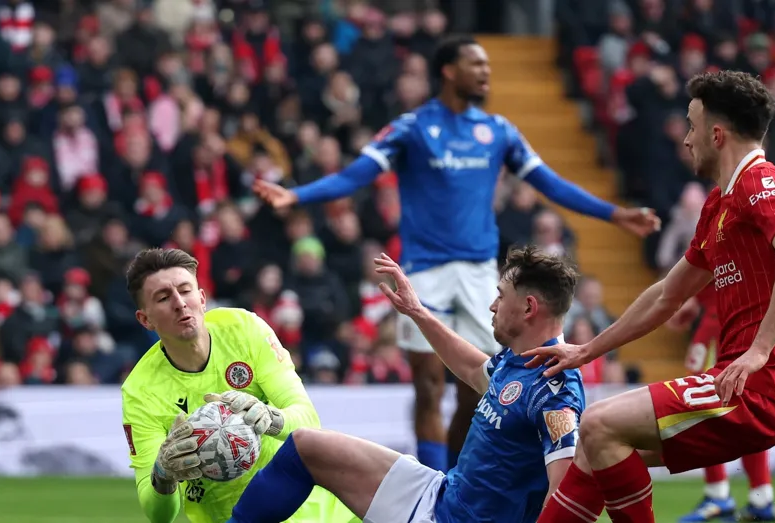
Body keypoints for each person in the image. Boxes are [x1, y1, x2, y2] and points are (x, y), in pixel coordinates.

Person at [252, 35, 659, 472]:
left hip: (482, 277)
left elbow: (550, 183)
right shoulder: (412, 128)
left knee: (481, 388)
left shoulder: (498, 130)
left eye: (487, 65)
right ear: (448, 70)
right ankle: (433, 484)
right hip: (424, 274)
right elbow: (357, 174)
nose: (486, 71)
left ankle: (456, 477)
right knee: (427, 387)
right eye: (476, 63)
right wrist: (298, 197)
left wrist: (614, 214)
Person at [525, 70, 775, 523]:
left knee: (599, 423)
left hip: (757, 388)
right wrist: (587, 350)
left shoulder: (761, 183)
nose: (686, 139)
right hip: (741, 383)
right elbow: (667, 295)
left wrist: (758, 352)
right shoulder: (720, 203)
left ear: (717, 135)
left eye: (691, 126)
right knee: (595, 447)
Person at [225, 247, 586, 523]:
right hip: (443, 494)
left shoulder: (555, 388)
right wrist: (418, 311)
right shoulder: (518, 358)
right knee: (306, 445)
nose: (491, 306)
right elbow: (475, 369)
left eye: (501, 295)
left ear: (528, 307)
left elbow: (566, 491)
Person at [119, 248, 359, 523]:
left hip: (316, 511)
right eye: (163, 297)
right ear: (145, 319)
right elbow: (159, 514)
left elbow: (308, 420)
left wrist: (271, 418)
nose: (179, 303)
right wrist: (163, 474)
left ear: (202, 298)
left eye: (185, 291)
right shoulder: (140, 391)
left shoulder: (244, 329)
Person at [669, 286, 775, 522]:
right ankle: (762, 498)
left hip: (721, 320)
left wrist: (691, 294)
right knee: (745, 405)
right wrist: (697, 297)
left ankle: (718, 494)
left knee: (702, 403)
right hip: (743, 320)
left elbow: (714, 257)